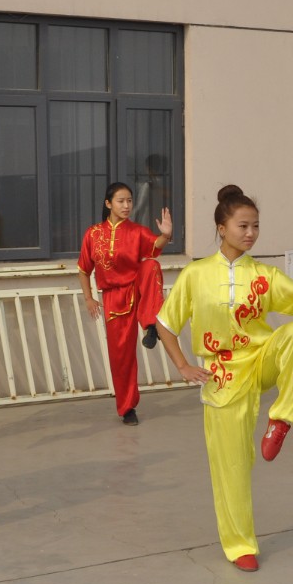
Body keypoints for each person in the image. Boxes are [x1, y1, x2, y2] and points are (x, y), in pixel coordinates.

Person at [154, 185, 293, 571]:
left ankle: (282, 418)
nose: (251, 233)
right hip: (220, 376)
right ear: (222, 227)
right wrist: (183, 365)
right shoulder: (196, 274)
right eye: (243, 226)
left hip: (260, 360)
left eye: (256, 226)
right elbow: (165, 323)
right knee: (232, 466)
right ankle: (240, 546)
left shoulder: (263, 274)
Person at [78, 182, 171, 425]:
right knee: (121, 356)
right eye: (121, 201)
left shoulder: (137, 231)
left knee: (151, 265)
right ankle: (127, 407)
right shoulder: (93, 234)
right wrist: (89, 298)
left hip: (136, 288)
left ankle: (151, 326)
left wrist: (165, 235)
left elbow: (154, 247)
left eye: (130, 200)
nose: (127, 205)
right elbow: (84, 270)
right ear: (108, 203)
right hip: (113, 298)